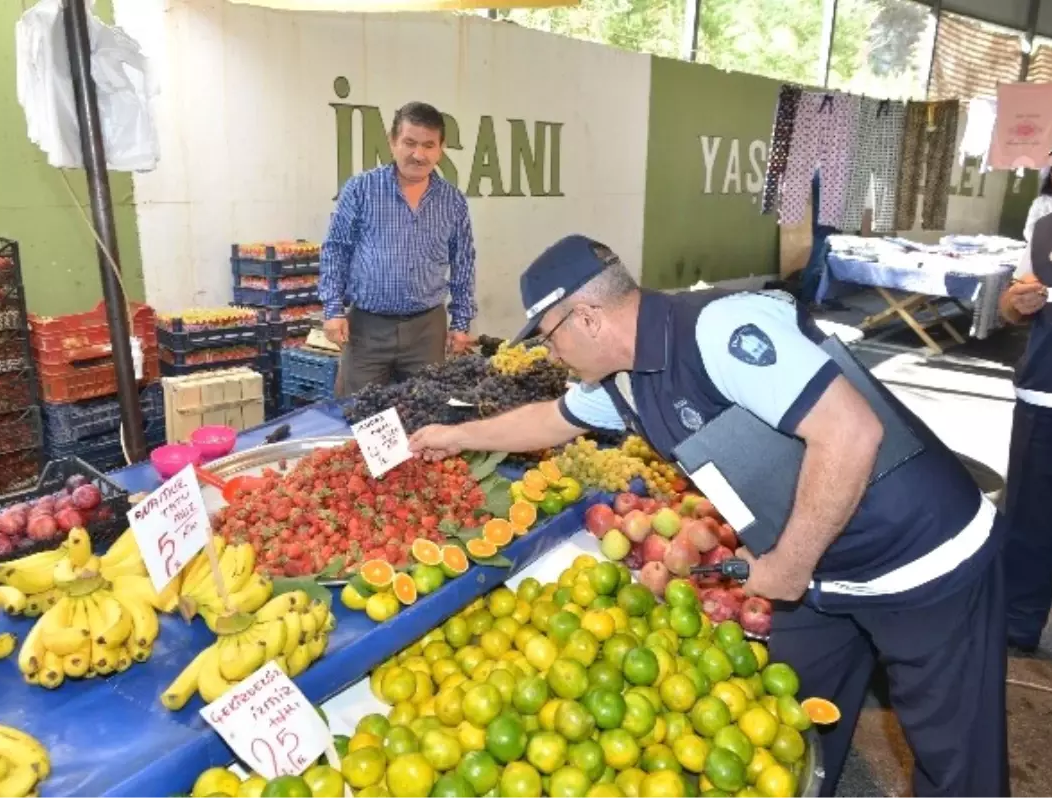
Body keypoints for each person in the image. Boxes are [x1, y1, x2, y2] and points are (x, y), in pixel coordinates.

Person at [411, 235, 1008, 798]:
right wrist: (457, 435)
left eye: (549, 336)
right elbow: (548, 421)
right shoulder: (622, 382)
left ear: (587, 318)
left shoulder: (719, 329)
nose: (551, 352)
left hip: (921, 561)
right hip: (820, 574)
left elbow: (851, 432)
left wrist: (789, 563)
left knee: (957, 765)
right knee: (781, 733)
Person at [319, 101, 477, 397]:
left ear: (441, 149)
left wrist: (461, 322)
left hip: (427, 331)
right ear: (392, 143)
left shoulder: (453, 201)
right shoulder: (361, 189)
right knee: (360, 415)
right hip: (366, 330)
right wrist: (332, 310)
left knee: (426, 413)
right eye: (409, 143)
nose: (419, 154)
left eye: (429, 145)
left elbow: (463, 262)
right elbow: (335, 250)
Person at [998, 136, 1052, 668]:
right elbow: (1012, 304)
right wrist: (1013, 303)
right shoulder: (1049, 228)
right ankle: (1017, 624)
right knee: (1029, 525)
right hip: (1045, 397)